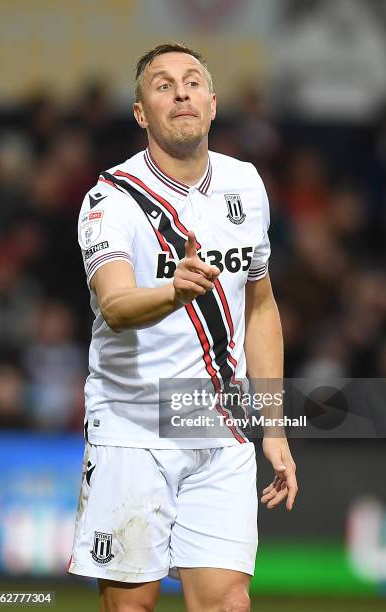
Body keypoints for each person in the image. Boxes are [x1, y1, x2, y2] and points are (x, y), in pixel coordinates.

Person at [68, 43, 298, 612]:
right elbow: (116, 305)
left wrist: (275, 428)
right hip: (133, 424)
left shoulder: (246, 184)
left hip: (221, 427)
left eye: (192, 82)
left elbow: (261, 307)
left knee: (227, 603)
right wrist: (174, 291)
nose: (181, 93)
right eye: (162, 84)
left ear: (214, 104)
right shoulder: (110, 200)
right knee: (133, 606)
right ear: (141, 112)